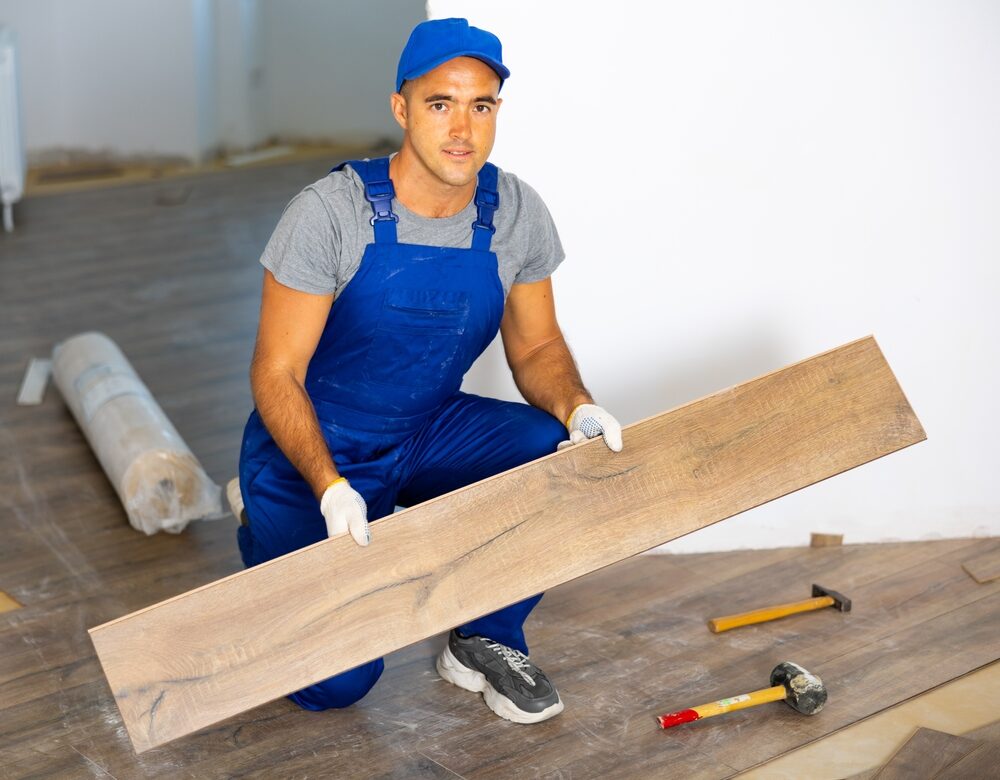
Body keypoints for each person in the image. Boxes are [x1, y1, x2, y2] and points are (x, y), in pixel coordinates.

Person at [235, 17, 623, 725]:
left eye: (481, 106)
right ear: (402, 109)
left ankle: (487, 635)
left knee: (547, 449)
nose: (462, 128)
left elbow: (536, 350)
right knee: (339, 685)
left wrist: (577, 408)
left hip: (423, 430)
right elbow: (275, 374)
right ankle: (266, 536)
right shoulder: (330, 214)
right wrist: (328, 487)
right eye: (441, 103)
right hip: (315, 451)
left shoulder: (513, 213)